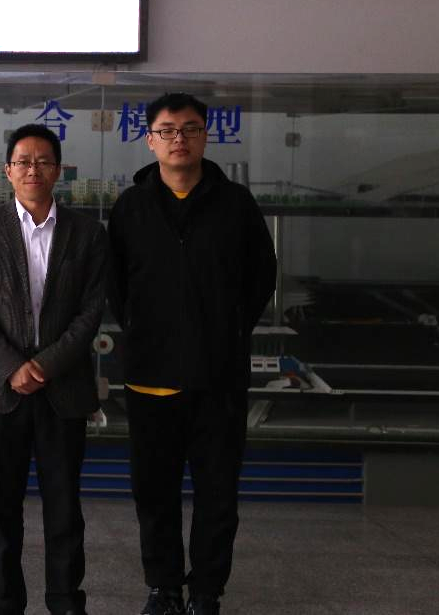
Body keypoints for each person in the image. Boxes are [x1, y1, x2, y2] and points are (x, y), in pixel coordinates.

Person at [108, 93, 277, 615]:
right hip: (150, 376)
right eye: (167, 130)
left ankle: (206, 592)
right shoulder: (131, 206)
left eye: (189, 128)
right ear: (150, 140)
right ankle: (163, 588)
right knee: (154, 494)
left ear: (205, 135)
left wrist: (229, 330)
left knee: (217, 495)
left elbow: (261, 277)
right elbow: (116, 284)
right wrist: (142, 329)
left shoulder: (236, 203)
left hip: (218, 378)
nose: (178, 138)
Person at [0, 124, 109, 615]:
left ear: (58, 171)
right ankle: (5, 600)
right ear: (8, 171)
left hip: (63, 389)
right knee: (1, 506)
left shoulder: (87, 233)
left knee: (64, 506)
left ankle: (65, 600)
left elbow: (91, 311)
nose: (33, 170)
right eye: (23, 161)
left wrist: (44, 364)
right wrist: (12, 367)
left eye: (43, 161)